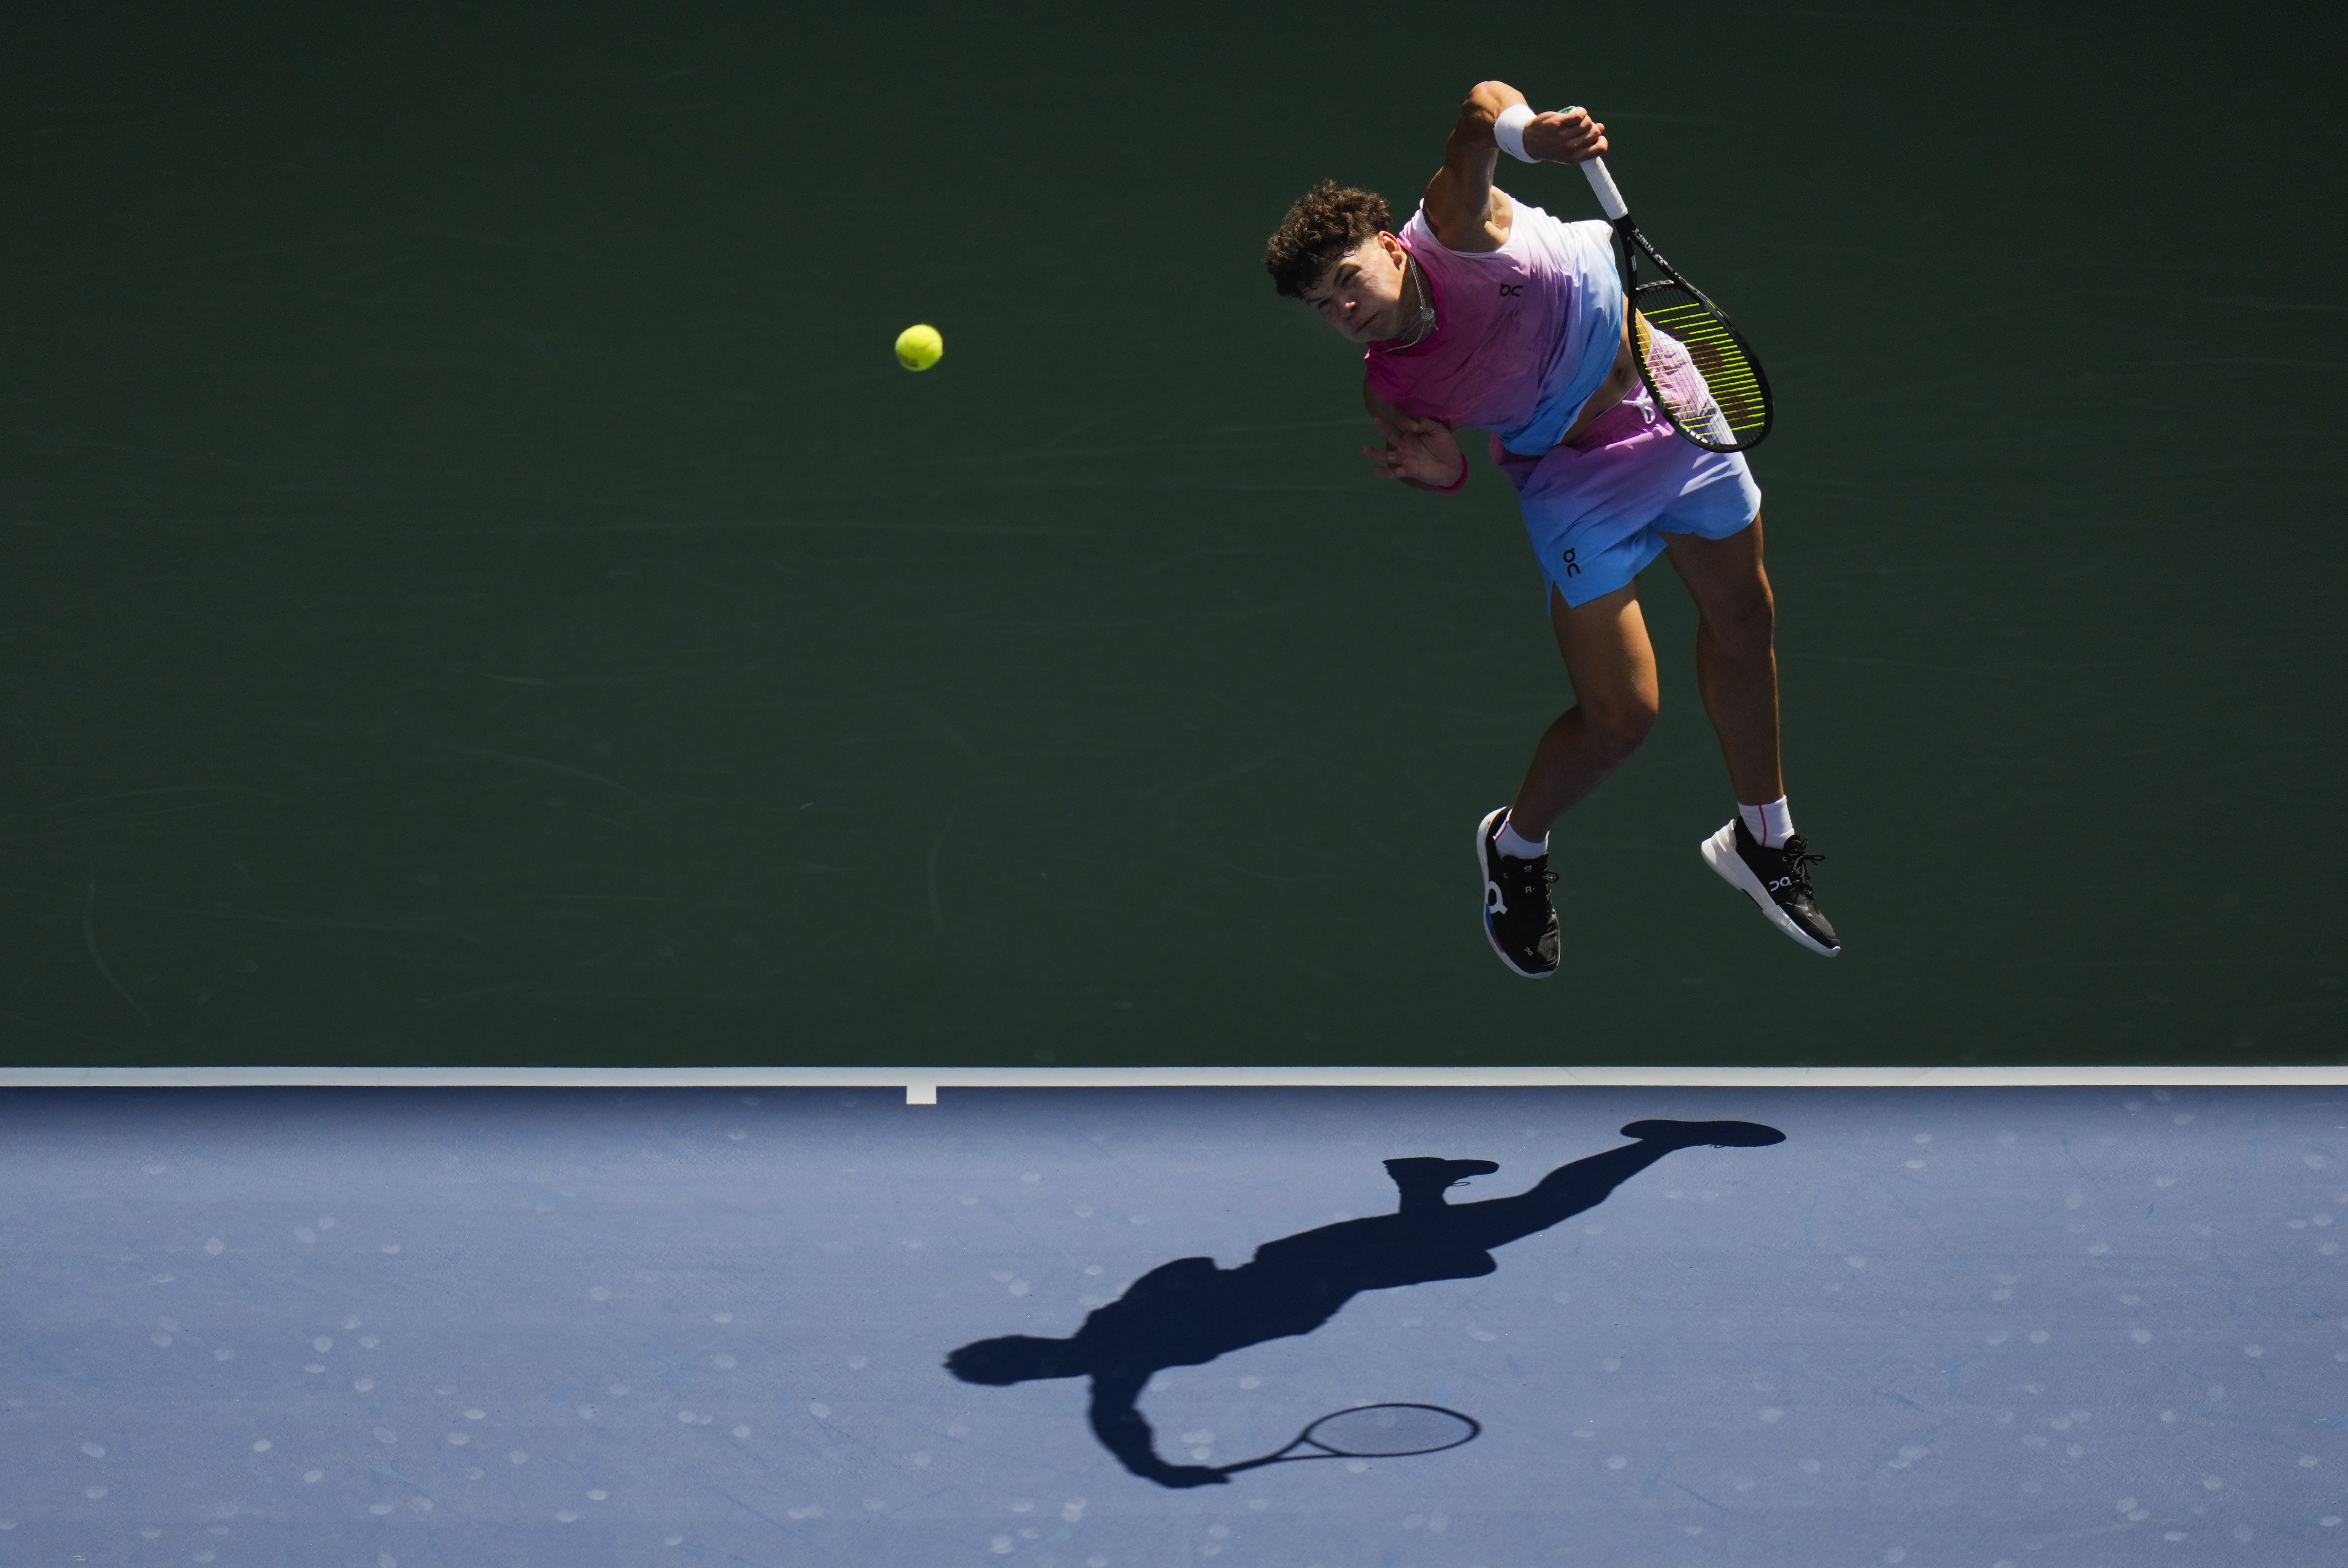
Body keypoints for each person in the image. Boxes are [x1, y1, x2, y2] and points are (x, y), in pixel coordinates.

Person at [1260, 82, 1840, 976]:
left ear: (1386, 247)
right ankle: (1515, 846)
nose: (1346, 310)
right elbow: (1452, 460)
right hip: (1574, 483)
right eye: (1324, 308)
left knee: (1744, 618)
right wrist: (1438, 473)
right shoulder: (1391, 385)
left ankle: (1763, 840)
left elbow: (1479, 107)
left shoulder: (1454, 220)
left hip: (1668, 398)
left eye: (1348, 281)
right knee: (1622, 720)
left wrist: (1532, 135)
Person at [945, 1118, 1785, 1487]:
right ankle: (1422, 1186)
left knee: (1538, 1215)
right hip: (1334, 1271)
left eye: (1020, 1361)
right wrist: (1157, 1466)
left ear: (1024, 1357)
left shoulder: (1116, 1349)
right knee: (1505, 1234)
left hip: (1330, 1264)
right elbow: (1124, 1415)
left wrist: (1158, 1465)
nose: (1037, 1364)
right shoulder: (1113, 1357)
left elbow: (1175, 1290)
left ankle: (1662, 1138)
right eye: (1019, 1365)